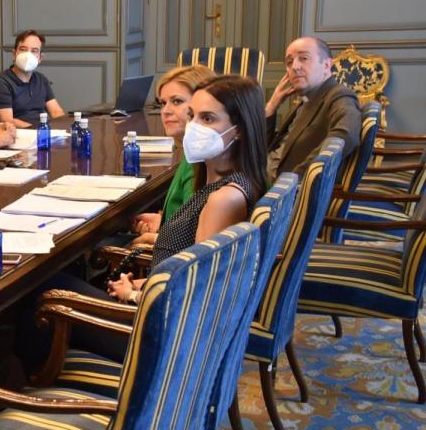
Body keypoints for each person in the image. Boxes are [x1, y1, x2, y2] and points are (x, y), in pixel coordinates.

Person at [109, 74, 268, 303]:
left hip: (157, 327)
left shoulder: (224, 199)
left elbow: (198, 294)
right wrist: (142, 285)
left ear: (239, 129)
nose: (194, 127)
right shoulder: (214, 182)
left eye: (208, 119)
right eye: (192, 116)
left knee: (48, 291)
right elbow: (183, 269)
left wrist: (133, 295)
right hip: (157, 293)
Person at [131, 65, 216, 246]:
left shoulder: (205, 162)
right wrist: (162, 222)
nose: (166, 111)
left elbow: (197, 242)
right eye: (163, 103)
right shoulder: (193, 152)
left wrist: (154, 238)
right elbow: (188, 220)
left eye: (176, 101)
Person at [264, 36, 360, 182]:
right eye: (289, 62)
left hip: (279, 188)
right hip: (261, 174)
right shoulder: (307, 98)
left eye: (304, 58)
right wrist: (271, 106)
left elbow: (346, 135)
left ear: (327, 65)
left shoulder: (339, 95)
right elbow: (267, 146)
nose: (294, 67)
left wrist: (299, 177)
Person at [0, 29, 66, 128]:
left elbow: (56, 112)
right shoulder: (1, 83)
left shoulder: (41, 79)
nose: (28, 55)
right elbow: (8, 121)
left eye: (34, 51)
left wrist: (64, 128)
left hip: (43, 133)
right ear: (14, 54)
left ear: (40, 58)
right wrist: (40, 130)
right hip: (20, 136)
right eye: (23, 49)